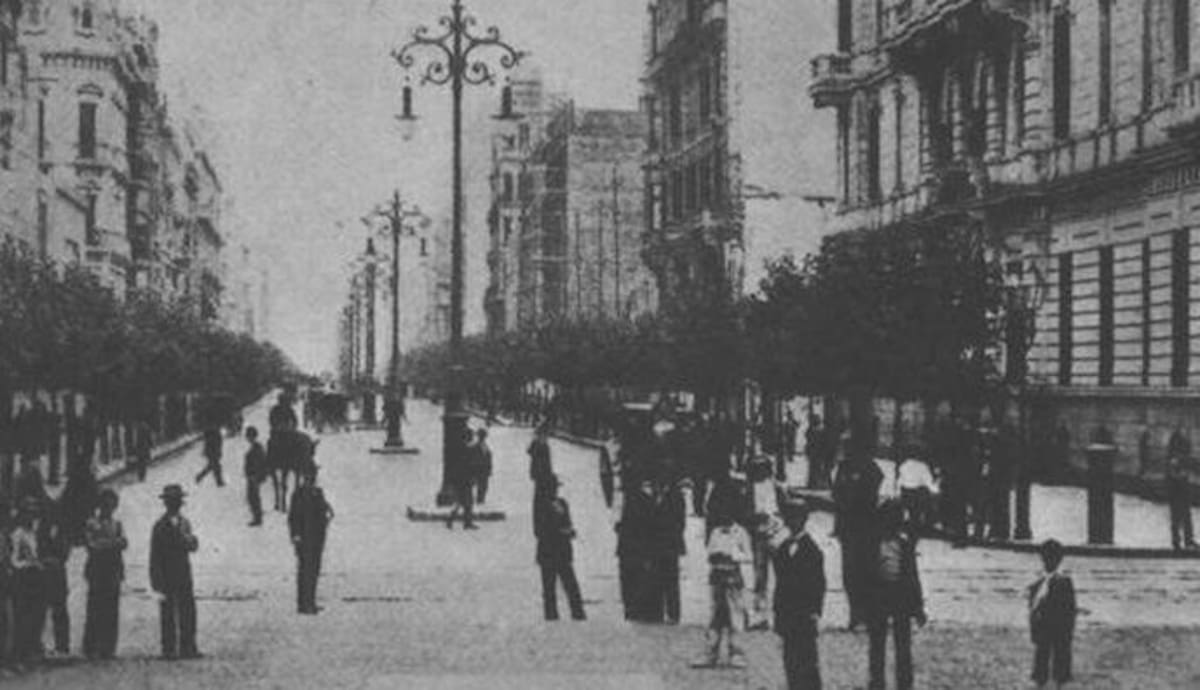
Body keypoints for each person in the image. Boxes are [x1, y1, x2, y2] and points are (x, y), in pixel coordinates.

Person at [865, 500, 926, 690]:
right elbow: (864, 575)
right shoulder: (872, 543)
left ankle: (905, 683)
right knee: (877, 643)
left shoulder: (904, 544)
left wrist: (918, 607)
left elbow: (912, 576)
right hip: (879, 594)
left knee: (902, 644)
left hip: (900, 595)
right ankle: (877, 682)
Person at [772, 498, 825, 690]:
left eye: (796, 518)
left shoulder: (812, 550)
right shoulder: (783, 549)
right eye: (789, 518)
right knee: (790, 658)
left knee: (808, 658)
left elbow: (818, 584)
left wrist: (815, 610)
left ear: (804, 520)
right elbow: (779, 584)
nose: (792, 522)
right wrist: (777, 610)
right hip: (787, 613)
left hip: (804, 613)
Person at [833, 438, 883, 631]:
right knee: (850, 574)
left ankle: (868, 615)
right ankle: (855, 615)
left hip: (866, 528)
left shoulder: (871, 468)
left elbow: (872, 495)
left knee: (866, 572)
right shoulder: (844, 468)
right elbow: (837, 493)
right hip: (848, 529)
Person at [150, 484, 201, 660]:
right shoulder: (159, 525)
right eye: (172, 501)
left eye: (177, 501)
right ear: (166, 504)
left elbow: (193, 545)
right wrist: (155, 578)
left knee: (187, 609)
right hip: (166, 571)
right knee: (167, 611)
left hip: (183, 570)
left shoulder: (185, 522)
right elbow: (154, 554)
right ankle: (169, 648)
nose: (175, 504)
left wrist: (191, 541)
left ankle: (188, 646)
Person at [701, 510, 751, 667]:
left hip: (733, 576)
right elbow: (709, 551)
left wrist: (733, 555)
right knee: (715, 615)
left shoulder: (741, 532)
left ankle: (736, 653)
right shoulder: (715, 532)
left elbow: (748, 555)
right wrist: (715, 555)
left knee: (735, 616)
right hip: (717, 576)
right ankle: (711, 652)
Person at [533, 474, 585, 621]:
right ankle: (551, 616)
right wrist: (561, 532)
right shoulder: (541, 505)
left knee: (571, 586)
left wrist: (569, 531)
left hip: (563, 552)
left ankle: (578, 614)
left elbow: (567, 522)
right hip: (548, 552)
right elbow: (539, 530)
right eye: (553, 487)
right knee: (549, 588)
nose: (555, 490)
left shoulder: (562, 503)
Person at [1028, 539, 1077, 690]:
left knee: (1059, 656)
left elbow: (1070, 608)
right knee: (1042, 655)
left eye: (1050, 559)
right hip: (1045, 625)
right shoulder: (1040, 580)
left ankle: (1058, 683)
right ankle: (1042, 681)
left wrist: (1069, 628)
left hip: (1058, 626)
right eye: (1045, 559)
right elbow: (1032, 606)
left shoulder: (1063, 580)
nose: (1047, 562)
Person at [83, 489, 126, 660]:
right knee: (94, 607)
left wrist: (106, 544)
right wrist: (113, 544)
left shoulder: (118, 524)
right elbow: (92, 545)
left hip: (114, 570)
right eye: (105, 505)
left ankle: (108, 647)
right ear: (100, 505)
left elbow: (124, 542)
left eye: (111, 505)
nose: (108, 508)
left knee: (112, 609)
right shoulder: (92, 523)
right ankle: (91, 646)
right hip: (97, 570)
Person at [289, 465, 334, 614]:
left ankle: (310, 601)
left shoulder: (317, 492)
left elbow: (326, 512)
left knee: (313, 571)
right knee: (305, 571)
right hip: (304, 538)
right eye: (310, 476)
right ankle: (303, 603)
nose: (312, 479)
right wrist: (295, 535)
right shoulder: (299, 494)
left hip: (317, 538)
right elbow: (293, 517)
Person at [10, 497, 45, 667]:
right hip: (23, 580)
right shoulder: (18, 534)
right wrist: (29, 564)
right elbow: (14, 560)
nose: (31, 517)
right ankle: (19, 655)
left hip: (36, 580)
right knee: (21, 617)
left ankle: (32, 650)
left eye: (33, 514)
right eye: (28, 513)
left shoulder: (34, 533)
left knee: (35, 616)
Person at [38, 498, 70, 660]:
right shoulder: (40, 530)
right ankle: (39, 644)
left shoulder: (62, 531)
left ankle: (62, 645)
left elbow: (65, 552)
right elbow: (38, 550)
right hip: (42, 575)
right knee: (41, 610)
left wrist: (57, 560)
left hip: (58, 574)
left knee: (60, 610)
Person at [1166, 431, 1196, 551]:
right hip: (1178, 488)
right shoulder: (1175, 460)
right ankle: (1180, 540)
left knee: (1181, 515)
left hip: (1178, 488)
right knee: (1180, 515)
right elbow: (1175, 474)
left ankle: (1181, 540)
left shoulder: (1177, 458)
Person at [446, 428, 478, 530]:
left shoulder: (459, 448)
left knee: (461, 502)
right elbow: (469, 466)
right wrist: (472, 478)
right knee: (467, 502)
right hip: (464, 480)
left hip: (458, 479)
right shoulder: (467, 450)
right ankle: (465, 522)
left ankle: (454, 519)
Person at [244, 427, 267, 526]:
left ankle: (257, 518)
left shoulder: (256, 449)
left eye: (249, 436)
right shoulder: (256, 447)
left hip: (254, 477)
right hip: (253, 476)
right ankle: (258, 515)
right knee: (253, 497)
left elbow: (258, 463)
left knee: (252, 497)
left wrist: (255, 476)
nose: (248, 438)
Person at [472, 428, 493, 505]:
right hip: (479, 469)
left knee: (484, 486)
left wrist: (490, 469)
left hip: (485, 470)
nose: (483, 438)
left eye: (483, 436)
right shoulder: (475, 446)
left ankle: (481, 499)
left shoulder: (486, 446)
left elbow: (489, 458)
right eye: (482, 436)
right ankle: (479, 500)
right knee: (480, 486)